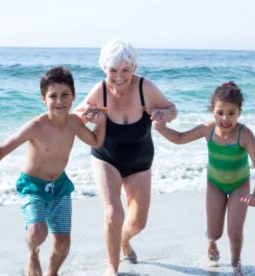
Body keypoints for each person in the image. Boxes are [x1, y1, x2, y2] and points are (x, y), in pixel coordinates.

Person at [0, 66, 106, 276]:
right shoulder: (36, 126)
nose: (59, 101)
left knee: (63, 242)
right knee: (38, 231)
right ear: (43, 99)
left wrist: (102, 122)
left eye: (65, 95)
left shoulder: (74, 123)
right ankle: (32, 252)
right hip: (32, 186)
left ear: (73, 96)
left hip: (60, 187)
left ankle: (52, 273)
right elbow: (1, 149)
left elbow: (96, 142)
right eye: (52, 96)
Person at [73, 39, 177, 276]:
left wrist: (164, 114)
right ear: (104, 68)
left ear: (134, 67)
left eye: (125, 70)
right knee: (113, 213)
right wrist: (87, 117)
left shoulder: (145, 89)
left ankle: (124, 241)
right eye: (113, 70)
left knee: (139, 222)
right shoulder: (100, 90)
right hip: (106, 157)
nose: (119, 76)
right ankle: (112, 268)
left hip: (140, 161)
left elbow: (172, 108)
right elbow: (76, 117)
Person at [153, 81, 255, 276]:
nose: (225, 118)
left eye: (231, 113)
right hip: (215, 184)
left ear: (239, 113)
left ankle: (236, 263)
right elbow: (180, 138)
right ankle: (211, 243)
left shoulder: (244, 134)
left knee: (234, 231)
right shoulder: (208, 129)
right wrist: (162, 128)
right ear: (212, 111)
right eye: (220, 112)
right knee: (215, 232)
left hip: (240, 185)